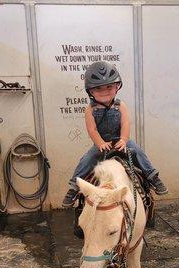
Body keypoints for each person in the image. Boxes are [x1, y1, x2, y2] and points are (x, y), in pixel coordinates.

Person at [62, 61, 168, 207]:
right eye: (98, 88)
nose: (104, 91)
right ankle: (74, 187)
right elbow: (92, 130)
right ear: (90, 91)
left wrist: (124, 140)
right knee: (87, 159)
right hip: (102, 144)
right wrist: (100, 143)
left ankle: (152, 177)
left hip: (120, 141)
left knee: (138, 151)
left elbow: (125, 124)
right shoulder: (90, 110)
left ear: (117, 87)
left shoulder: (120, 106)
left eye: (109, 87)